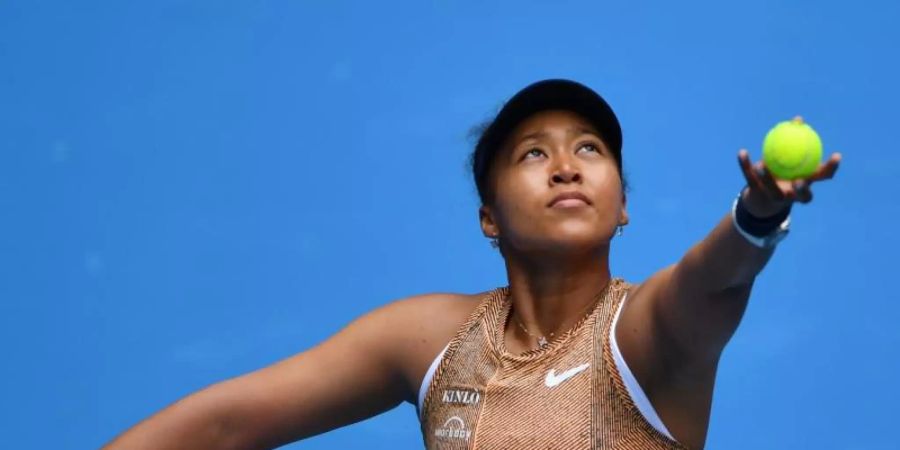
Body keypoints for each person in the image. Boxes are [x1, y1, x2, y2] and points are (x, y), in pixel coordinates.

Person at [103, 79, 841, 450]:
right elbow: (225, 424)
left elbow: (713, 279)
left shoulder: (645, 335)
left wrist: (757, 216)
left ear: (621, 206)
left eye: (590, 148)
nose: (564, 167)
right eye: (533, 153)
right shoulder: (426, 341)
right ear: (489, 218)